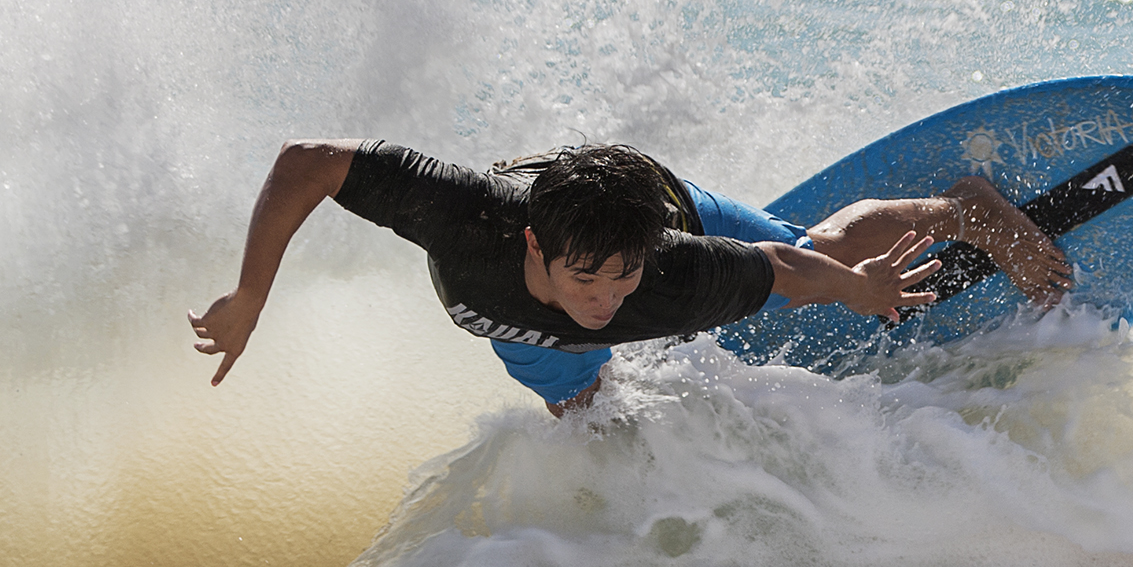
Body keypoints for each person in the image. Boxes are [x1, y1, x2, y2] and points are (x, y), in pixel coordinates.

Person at [189, 139, 1073, 413]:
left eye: (623, 284)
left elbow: (781, 271)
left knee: (825, 254)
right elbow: (310, 162)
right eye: (589, 284)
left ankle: (967, 209)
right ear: (533, 247)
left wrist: (859, 289)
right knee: (591, 430)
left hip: (661, 203)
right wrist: (253, 293)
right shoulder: (466, 217)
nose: (610, 303)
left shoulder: (669, 271)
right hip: (527, 329)